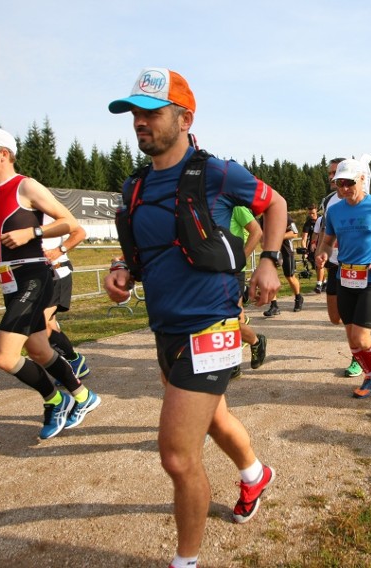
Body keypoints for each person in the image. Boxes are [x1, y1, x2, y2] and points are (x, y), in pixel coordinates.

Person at [105, 67, 284, 568]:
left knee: (178, 456)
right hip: (166, 327)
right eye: (134, 114)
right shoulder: (135, 184)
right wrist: (121, 271)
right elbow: (142, 250)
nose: (140, 123)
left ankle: (186, 561)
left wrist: (268, 261)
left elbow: (277, 207)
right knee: (216, 416)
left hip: (212, 326)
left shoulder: (218, 173)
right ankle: (255, 475)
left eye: (151, 113)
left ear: (184, 118)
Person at [0, 128, 100, 440]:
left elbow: (71, 224)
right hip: (9, 280)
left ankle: (55, 399)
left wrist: (33, 234)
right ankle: (83, 395)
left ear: (4, 154)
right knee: (38, 350)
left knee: (4, 356)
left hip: (34, 277)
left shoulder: (26, 186)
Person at [314, 159, 371, 398]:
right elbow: (327, 241)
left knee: (361, 337)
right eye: (339, 183)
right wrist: (323, 254)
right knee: (351, 337)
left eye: (349, 183)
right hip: (346, 277)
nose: (344, 188)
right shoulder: (334, 210)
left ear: (362, 179)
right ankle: (370, 377)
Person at [317, 157, 363, 378]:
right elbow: (325, 232)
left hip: (355, 265)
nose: (335, 179)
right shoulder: (328, 202)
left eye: (338, 174)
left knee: (351, 317)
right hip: (334, 263)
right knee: (335, 317)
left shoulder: (359, 200)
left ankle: (358, 353)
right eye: (331, 175)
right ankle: (361, 330)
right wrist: (319, 255)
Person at [41, 215, 90, 379]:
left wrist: (59, 250)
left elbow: (80, 232)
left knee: (39, 323)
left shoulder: (47, 210)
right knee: (49, 324)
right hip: (38, 276)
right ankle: (70, 363)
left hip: (57, 272)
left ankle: (73, 360)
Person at [229, 206, 268, 377]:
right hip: (210, 270)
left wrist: (239, 260)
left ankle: (255, 341)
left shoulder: (236, 207)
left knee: (231, 319)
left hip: (232, 271)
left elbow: (256, 231)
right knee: (220, 320)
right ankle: (233, 362)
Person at [263, 214, 303, 315]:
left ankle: (298, 297)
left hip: (286, 251)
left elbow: (294, 233)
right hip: (271, 250)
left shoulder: (284, 215)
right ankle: (274, 305)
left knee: (289, 276)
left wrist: (278, 237)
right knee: (270, 277)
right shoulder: (263, 218)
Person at [301, 204, 321, 292]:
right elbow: (304, 239)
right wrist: (304, 251)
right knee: (317, 266)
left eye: (312, 213)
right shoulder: (308, 223)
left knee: (322, 265)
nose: (311, 215)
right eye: (309, 214)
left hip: (323, 245)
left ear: (316, 210)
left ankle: (320, 283)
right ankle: (322, 282)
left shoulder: (322, 219)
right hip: (313, 246)